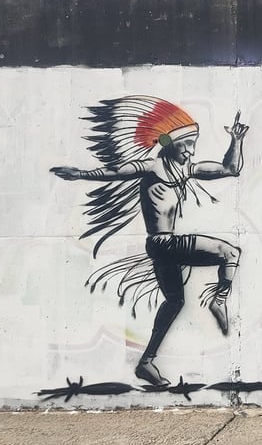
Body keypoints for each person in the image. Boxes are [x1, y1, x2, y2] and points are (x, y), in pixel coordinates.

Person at [51, 95, 249, 386]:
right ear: (170, 144)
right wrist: (79, 174)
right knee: (230, 252)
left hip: (161, 248)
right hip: (163, 243)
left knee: (175, 301)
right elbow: (114, 173)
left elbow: (230, 169)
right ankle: (219, 301)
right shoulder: (152, 167)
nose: (191, 153)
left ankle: (147, 362)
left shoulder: (185, 169)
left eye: (193, 146)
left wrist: (236, 140)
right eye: (186, 146)